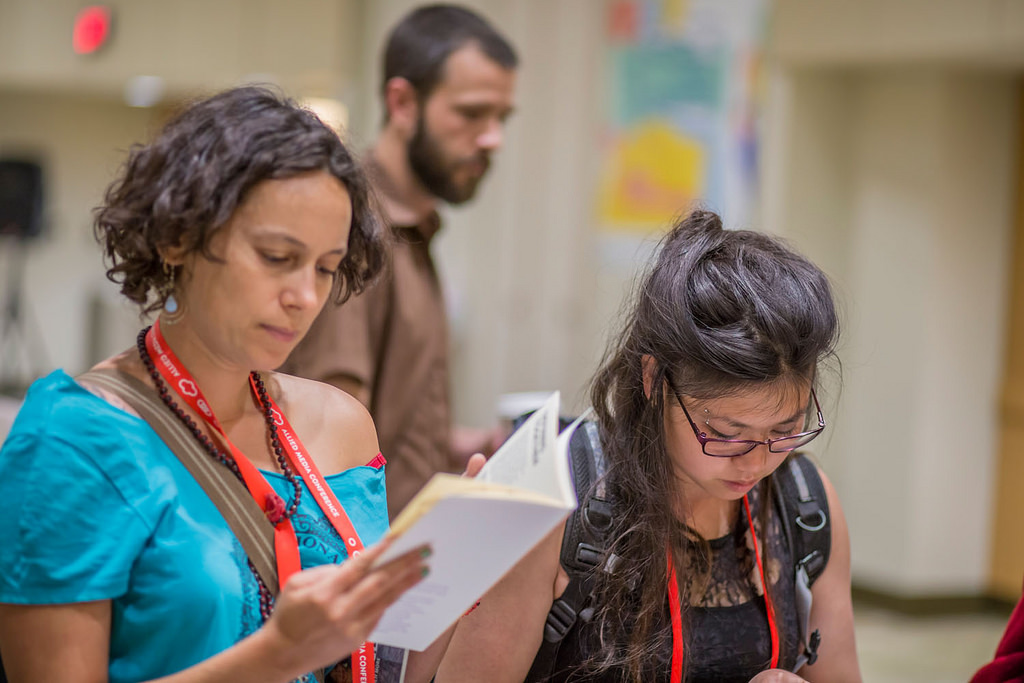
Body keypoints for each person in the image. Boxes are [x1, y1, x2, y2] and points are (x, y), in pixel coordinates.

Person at [0, 86, 482, 683]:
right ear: (179, 237)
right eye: (277, 257)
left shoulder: (340, 427)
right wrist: (276, 655)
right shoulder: (75, 440)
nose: (305, 297)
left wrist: (457, 578)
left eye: (326, 268)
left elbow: (369, 664)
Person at [437, 210, 862, 683]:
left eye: (786, 429)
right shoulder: (556, 502)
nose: (759, 460)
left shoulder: (805, 506)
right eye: (725, 433)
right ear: (654, 378)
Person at [282, 4, 518, 519]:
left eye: (501, 118)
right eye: (472, 113)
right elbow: (326, 428)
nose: (492, 138)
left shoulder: (413, 229)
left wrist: (446, 444)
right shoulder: (354, 224)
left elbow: (381, 417)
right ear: (403, 101)